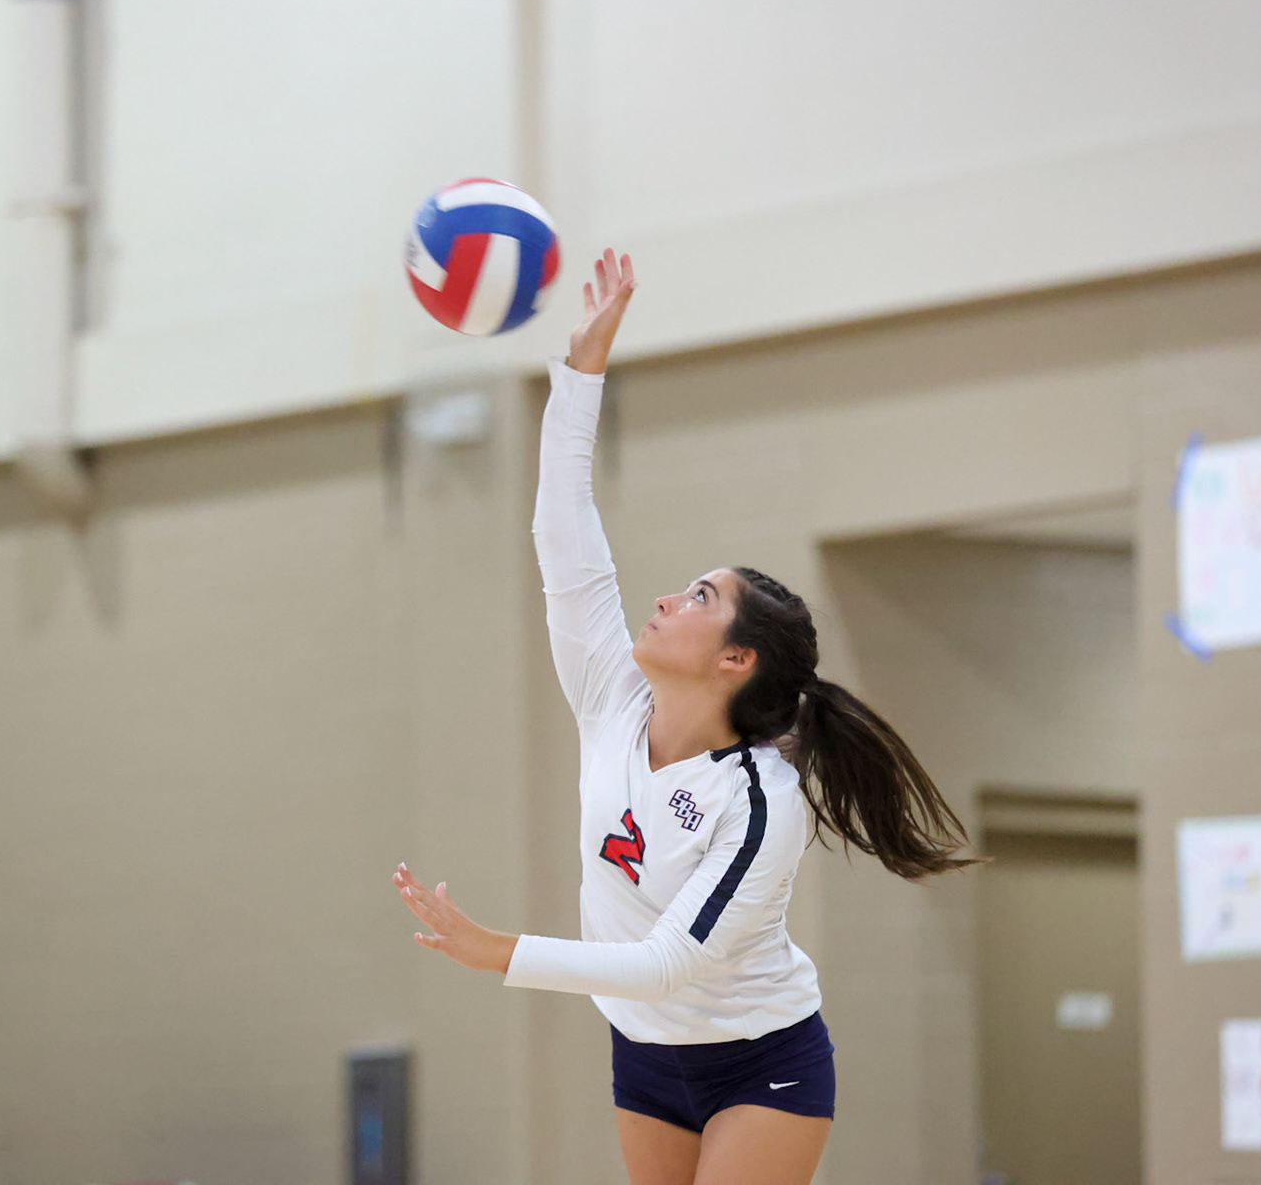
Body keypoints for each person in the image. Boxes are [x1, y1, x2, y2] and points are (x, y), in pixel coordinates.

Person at [393, 250, 978, 1185]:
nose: (667, 598)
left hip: (761, 1059)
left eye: (701, 597)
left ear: (736, 659)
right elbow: (561, 532)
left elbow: (666, 964)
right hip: (643, 1053)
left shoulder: (760, 802)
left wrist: (496, 952)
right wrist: (581, 372)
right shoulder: (609, 699)